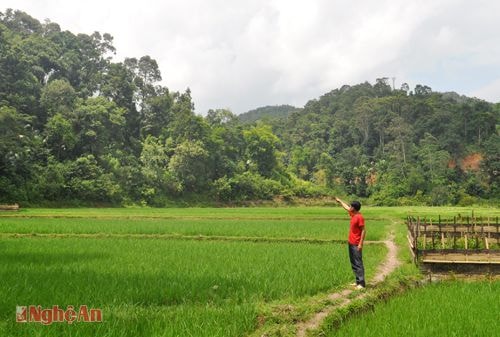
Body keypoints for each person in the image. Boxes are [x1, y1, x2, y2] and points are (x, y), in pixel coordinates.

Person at [334, 197, 366, 289]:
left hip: (356, 243)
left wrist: (360, 244)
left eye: (351, 206)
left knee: (358, 262)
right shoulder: (353, 214)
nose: (349, 207)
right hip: (351, 242)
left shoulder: (359, 217)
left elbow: (363, 230)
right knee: (353, 263)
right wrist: (340, 201)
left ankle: (362, 284)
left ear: (354, 208)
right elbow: (346, 207)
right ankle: (357, 281)